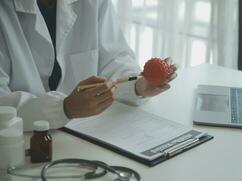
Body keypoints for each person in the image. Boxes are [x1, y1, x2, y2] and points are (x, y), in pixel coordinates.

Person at [0, 0, 177, 131]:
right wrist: (63, 108)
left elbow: (115, 58)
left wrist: (138, 85)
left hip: (83, 134)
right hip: (18, 141)